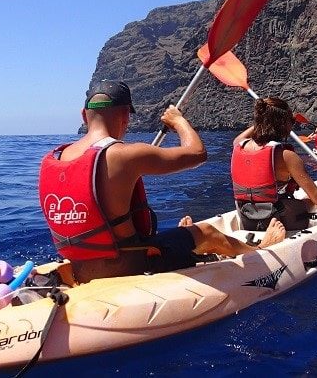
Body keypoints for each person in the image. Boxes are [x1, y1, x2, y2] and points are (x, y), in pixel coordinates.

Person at [38, 80, 285, 283]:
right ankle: (260, 250)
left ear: (84, 115)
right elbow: (198, 153)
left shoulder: (53, 159)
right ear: (126, 116)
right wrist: (178, 121)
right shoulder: (125, 154)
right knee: (206, 232)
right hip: (130, 264)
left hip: (81, 268)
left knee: (181, 234)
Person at [229, 98, 317, 231]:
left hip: (248, 219)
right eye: (291, 122)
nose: (292, 125)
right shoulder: (286, 156)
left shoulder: (239, 145)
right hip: (277, 223)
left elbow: (241, 137)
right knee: (315, 201)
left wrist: (264, 118)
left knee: (304, 200)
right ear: (282, 124)